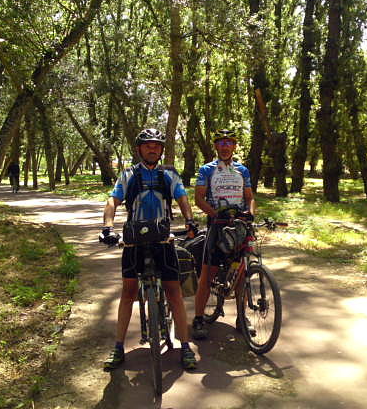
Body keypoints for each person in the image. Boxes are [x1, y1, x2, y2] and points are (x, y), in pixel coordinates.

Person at [99, 128, 198, 370]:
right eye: (147, 145)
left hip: (163, 238)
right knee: (128, 292)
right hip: (134, 238)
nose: (152, 148)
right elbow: (113, 200)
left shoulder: (169, 174)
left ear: (161, 150)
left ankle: (185, 347)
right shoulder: (128, 174)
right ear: (139, 149)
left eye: (156, 145)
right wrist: (107, 227)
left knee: (174, 292)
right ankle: (118, 347)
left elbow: (182, 198)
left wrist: (189, 220)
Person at [191, 129, 256, 340]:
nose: (225, 146)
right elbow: (199, 198)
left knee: (242, 274)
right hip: (217, 226)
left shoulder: (242, 170)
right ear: (216, 146)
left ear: (234, 146)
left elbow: (249, 197)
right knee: (207, 275)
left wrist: (251, 214)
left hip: (239, 225)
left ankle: (241, 317)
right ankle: (199, 319)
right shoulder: (207, 170)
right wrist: (215, 214)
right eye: (221, 142)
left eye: (229, 142)